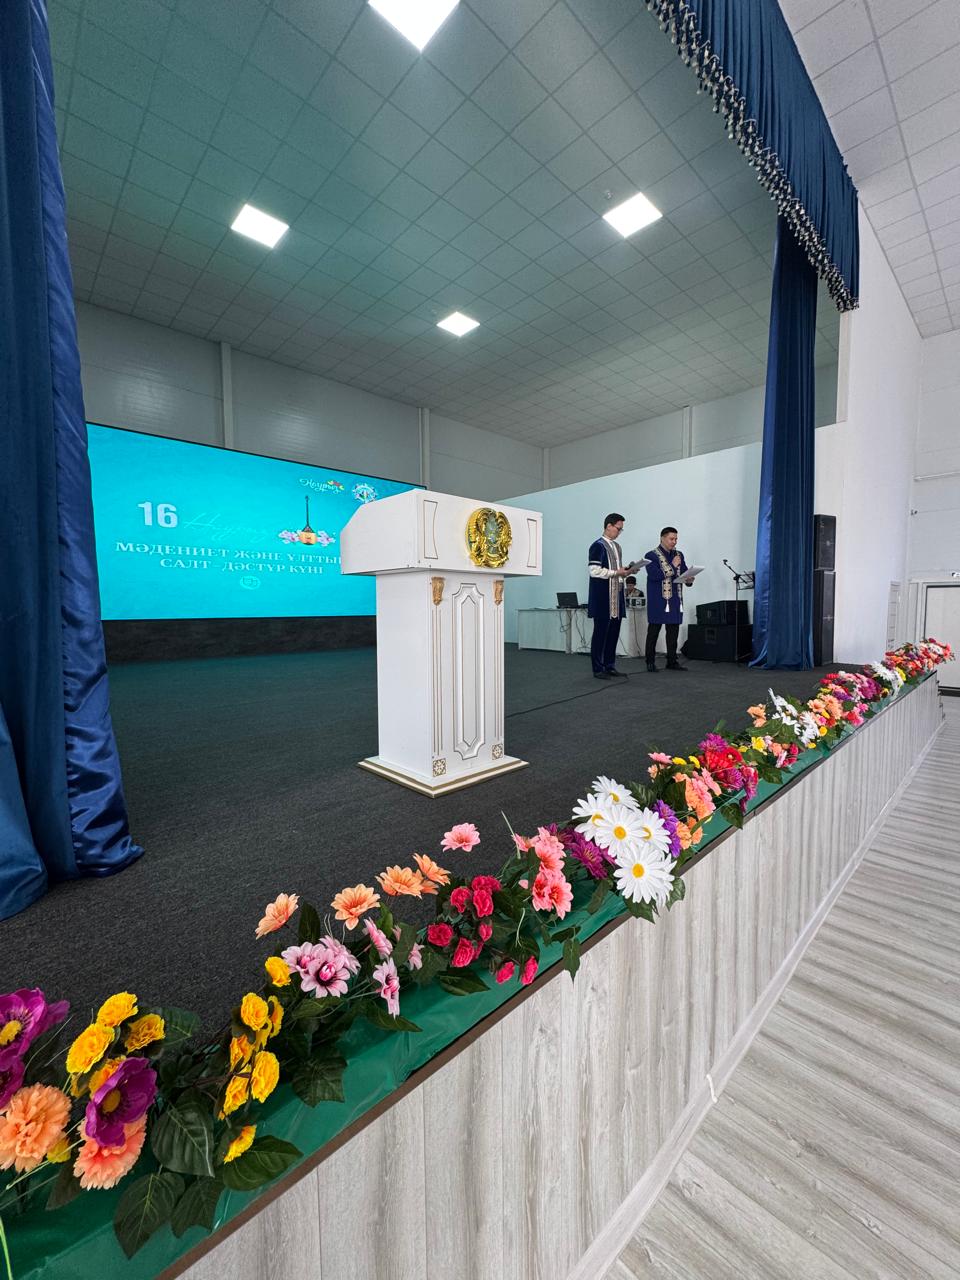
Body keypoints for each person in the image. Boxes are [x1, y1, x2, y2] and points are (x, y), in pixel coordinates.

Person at [588, 513, 632, 680]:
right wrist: (616, 572)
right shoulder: (597, 546)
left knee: (613, 633)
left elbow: (616, 572)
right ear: (608, 526)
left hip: (616, 596)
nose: (619, 532)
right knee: (600, 633)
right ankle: (598, 668)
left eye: (621, 529)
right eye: (618, 528)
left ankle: (609, 665)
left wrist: (626, 572)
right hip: (603, 597)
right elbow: (594, 571)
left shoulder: (617, 547)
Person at [643, 526, 694, 672]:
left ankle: (672, 661)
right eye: (671, 539)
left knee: (673, 631)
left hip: (675, 598)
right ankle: (650, 661)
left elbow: (683, 573)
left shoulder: (679, 554)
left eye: (676, 539)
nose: (674, 542)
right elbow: (654, 575)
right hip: (658, 599)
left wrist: (689, 579)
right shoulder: (651, 555)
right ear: (662, 538)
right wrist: (673, 565)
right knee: (653, 631)